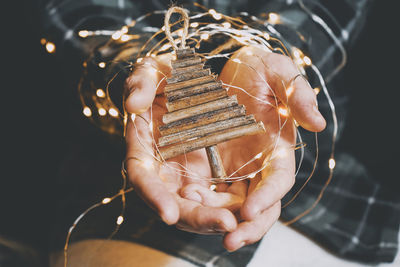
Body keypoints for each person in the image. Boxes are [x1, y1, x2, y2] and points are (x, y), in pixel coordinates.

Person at [3, 0, 398, 266]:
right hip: (121, 189)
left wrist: (270, 52)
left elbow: (320, 13)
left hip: (337, 197)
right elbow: (85, 19)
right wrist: (137, 70)